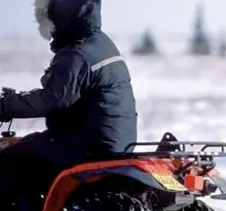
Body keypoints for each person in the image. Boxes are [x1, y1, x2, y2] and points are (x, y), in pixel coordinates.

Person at [0, 0, 137, 195]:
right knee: (28, 146)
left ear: (63, 15)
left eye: (49, 15)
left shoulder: (77, 54)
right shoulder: (100, 43)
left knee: (12, 157)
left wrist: (6, 106)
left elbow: (52, 99)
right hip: (112, 143)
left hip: (86, 148)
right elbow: (64, 93)